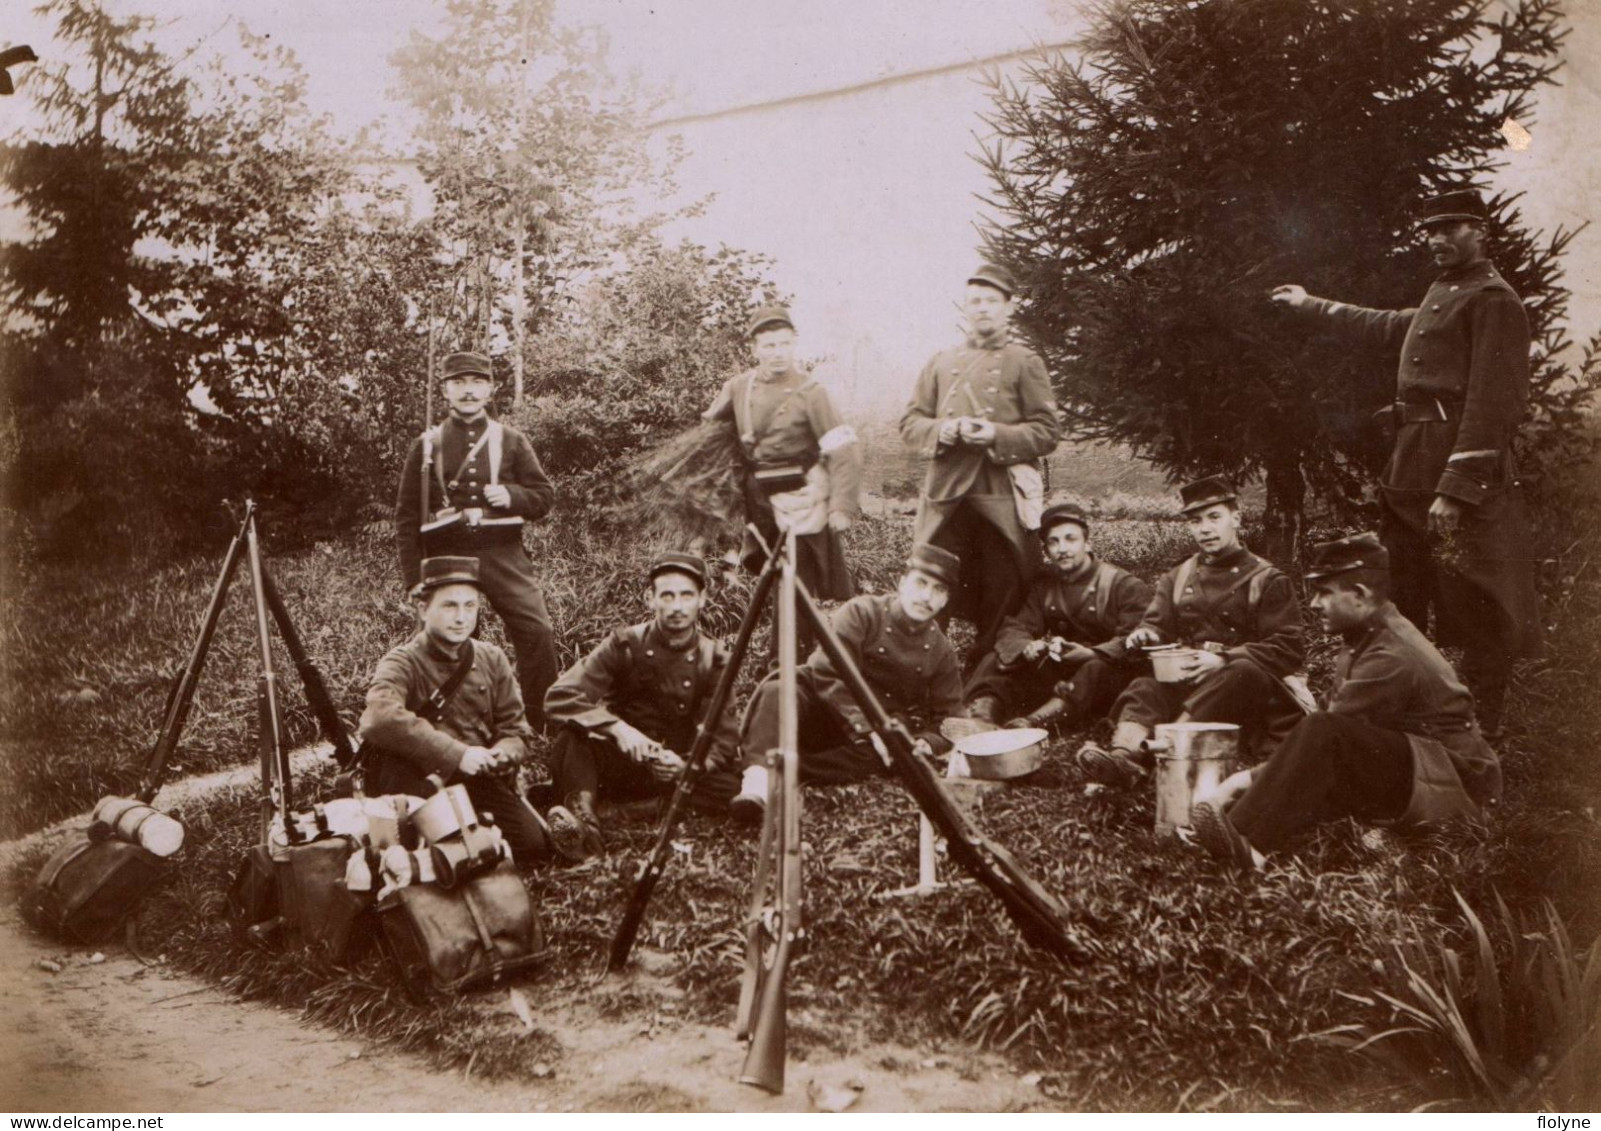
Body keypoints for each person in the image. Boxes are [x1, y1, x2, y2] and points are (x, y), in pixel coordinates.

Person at [1270, 188, 1541, 734]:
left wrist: (1456, 487)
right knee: (1407, 590)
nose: (1438, 239)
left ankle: (1480, 729)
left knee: (1478, 599)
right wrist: (1312, 305)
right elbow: (1391, 325)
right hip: (1412, 463)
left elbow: (1494, 403)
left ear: (1481, 231)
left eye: (1452, 228)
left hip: (1460, 473)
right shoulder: (1448, 292)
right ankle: (1407, 711)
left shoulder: (1494, 300)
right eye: (1431, 230)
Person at [1190, 533, 1501, 870]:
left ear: (1359, 595)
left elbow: (1325, 735)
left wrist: (1241, 780)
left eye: (1324, 593)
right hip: (1422, 767)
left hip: (1460, 786)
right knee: (1321, 738)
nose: (1314, 604)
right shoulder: (1367, 633)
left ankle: (1247, 845)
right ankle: (1230, 825)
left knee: (1325, 732)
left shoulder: (1391, 655)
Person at [1077, 476, 1307, 788]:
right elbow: (1156, 623)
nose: (1205, 529)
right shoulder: (1179, 575)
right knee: (1146, 685)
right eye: (1196, 521)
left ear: (1235, 519)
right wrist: (1147, 634)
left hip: (1246, 694)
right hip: (1191, 683)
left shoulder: (1267, 579)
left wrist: (1224, 659)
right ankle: (1124, 757)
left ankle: (1169, 752)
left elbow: (1288, 646)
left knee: (1242, 671)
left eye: (1215, 517)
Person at [359, 556, 570, 868]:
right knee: (441, 854)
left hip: (479, 779)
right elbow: (378, 718)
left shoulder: (491, 658)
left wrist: (503, 753)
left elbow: (516, 729)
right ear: (422, 609)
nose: (461, 617)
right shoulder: (402, 661)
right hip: (419, 781)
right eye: (449, 606)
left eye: (469, 606)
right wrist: (458, 754)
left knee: (532, 846)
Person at [730, 543, 965, 822]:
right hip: (819, 703)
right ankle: (756, 783)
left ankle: (785, 769)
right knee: (778, 691)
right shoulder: (862, 613)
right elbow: (827, 672)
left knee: (889, 756)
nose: (926, 596)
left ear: (945, 601)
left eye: (938, 590)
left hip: (862, 736)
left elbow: (950, 718)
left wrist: (927, 743)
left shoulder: (941, 650)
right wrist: (868, 727)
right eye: (921, 583)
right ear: (902, 583)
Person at [899, 264, 1063, 662]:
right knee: (931, 583)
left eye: (992, 301)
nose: (983, 309)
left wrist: (995, 435)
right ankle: (921, 675)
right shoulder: (941, 361)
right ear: (965, 309)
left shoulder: (1025, 362)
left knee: (1003, 588)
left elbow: (1047, 431)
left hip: (1001, 494)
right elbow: (910, 424)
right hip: (946, 496)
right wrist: (946, 429)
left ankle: (988, 682)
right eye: (975, 301)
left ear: (1009, 307)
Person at [394, 350, 560, 727]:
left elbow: (544, 496)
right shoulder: (426, 445)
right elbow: (406, 518)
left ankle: (542, 724)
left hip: (502, 553)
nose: (468, 391)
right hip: (448, 556)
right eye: (458, 383)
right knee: (445, 641)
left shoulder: (511, 440)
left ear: (490, 389)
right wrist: (415, 579)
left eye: (476, 382)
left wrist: (512, 497)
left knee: (538, 632)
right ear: (445, 391)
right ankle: (450, 726)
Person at [542, 552, 742, 858]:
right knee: (571, 742)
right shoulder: (624, 645)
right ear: (650, 599)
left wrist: (685, 766)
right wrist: (617, 728)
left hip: (671, 770)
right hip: (621, 762)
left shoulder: (713, 660)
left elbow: (724, 737)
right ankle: (584, 822)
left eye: (687, 595)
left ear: (702, 600)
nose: (677, 607)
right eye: (667, 595)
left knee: (734, 787)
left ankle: (634, 810)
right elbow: (560, 696)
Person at [703, 305, 861, 603]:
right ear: (754, 348)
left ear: (794, 343)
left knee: (799, 586)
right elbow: (709, 433)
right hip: (759, 503)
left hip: (803, 499)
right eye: (770, 345)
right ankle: (782, 647)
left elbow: (844, 448)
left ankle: (793, 648)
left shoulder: (812, 393)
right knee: (775, 581)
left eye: (785, 343)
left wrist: (841, 505)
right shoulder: (738, 388)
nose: (778, 352)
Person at [963, 501, 1152, 730]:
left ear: (1087, 543)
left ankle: (1034, 723)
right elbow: (1016, 626)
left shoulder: (1124, 585)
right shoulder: (1044, 586)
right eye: (1053, 542)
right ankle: (980, 717)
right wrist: (1027, 647)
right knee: (997, 657)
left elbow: (1135, 640)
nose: (1062, 548)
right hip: (1062, 674)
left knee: (1096, 669)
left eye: (1070, 539)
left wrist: (1092, 653)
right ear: (1046, 552)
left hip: (1107, 679)